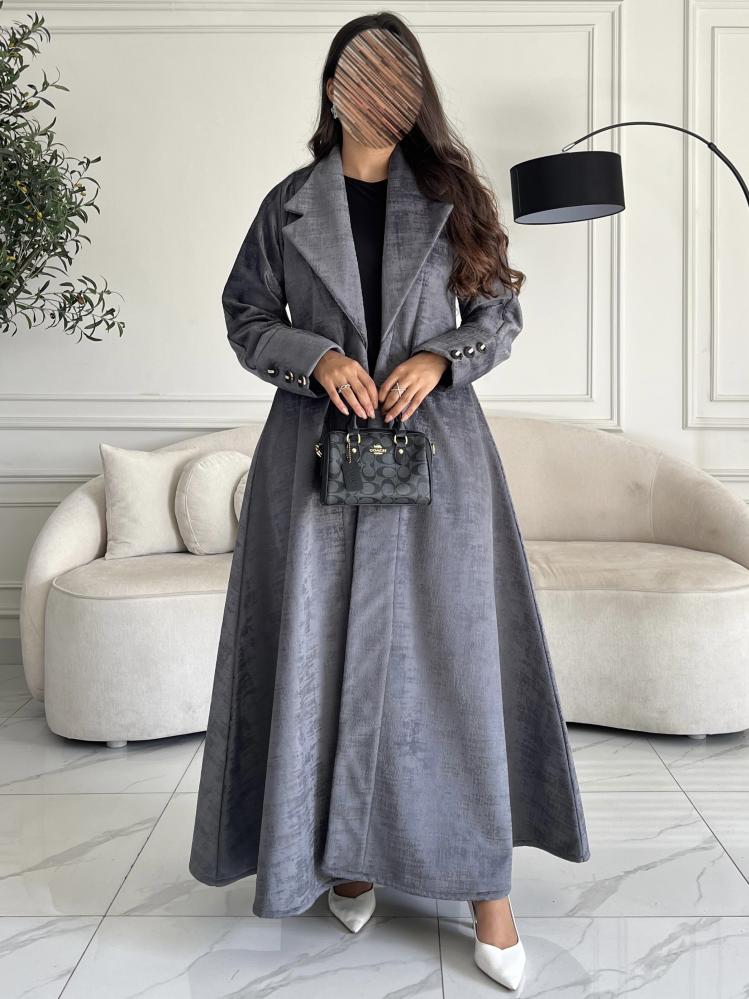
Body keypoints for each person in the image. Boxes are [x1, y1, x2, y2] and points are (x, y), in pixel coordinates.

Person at [189, 12, 590, 990]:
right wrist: (315, 357)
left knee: (453, 669)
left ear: (414, 93)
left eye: (391, 78)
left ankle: (486, 892)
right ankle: (346, 857)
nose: (372, 95)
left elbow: (498, 313)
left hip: (438, 460)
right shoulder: (288, 205)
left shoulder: (451, 196)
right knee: (319, 659)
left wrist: (439, 358)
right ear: (332, 89)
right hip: (312, 465)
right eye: (356, 76)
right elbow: (246, 316)